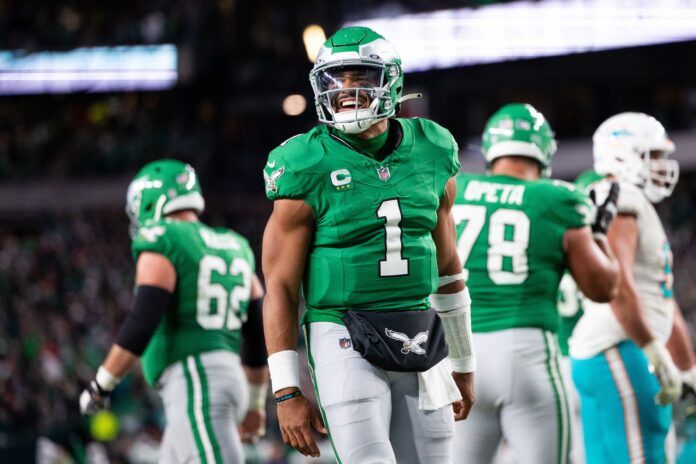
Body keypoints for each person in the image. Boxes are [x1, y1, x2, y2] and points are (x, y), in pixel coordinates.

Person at [262, 26, 475, 464]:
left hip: (422, 332)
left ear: (391, 81)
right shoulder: (305, 162)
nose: (345, 91)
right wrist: (286, 390)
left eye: (359, 77)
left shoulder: (432, 150)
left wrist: (464, 361)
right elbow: (280, 287)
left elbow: (450, 270)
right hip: (341, 329)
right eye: (335, 79)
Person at [451, 103, 620, 463]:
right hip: (526, 353)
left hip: (456, 355)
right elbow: (603, 289)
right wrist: (599, 234)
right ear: (544, 151)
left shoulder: (454, 189)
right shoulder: (557, 197)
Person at [79, 160, 268, 463]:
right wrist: (256, 402)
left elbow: (143, 320)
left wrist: (101, 384)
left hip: (197, 380)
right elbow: (257, 331)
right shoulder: (234, 244)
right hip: (224, 377)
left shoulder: (163, 237)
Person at [570, 112, 684, 463]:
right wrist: (652, 348)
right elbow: (617, 283)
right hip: (620, 347)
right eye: (653, 156)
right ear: (624, 154)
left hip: (609, 348)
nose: (663, 166)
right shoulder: (622, 195)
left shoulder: (620, 196)